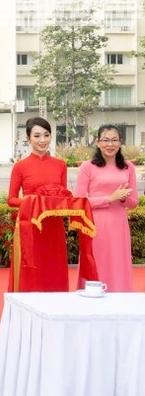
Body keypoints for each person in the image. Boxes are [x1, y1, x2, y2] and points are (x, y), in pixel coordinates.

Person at [7, 117, 68, 291]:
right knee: (30, 270)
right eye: (37, 136)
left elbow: (63, 197)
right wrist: (34, 202)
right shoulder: (20, 166)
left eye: (46, 135)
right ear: (28, 139)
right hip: (29, 225)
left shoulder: (60, 165)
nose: (42, 140)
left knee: (53, 269)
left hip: (53, 226)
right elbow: (11, 199)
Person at [74, 125, 138, 292]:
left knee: (118, 263)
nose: (110, 144)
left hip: (119, 224)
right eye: (106, 140)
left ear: (120, 142)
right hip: (96, 225)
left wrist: (123, 199)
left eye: (114, 140)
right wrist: (109, 199)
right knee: (97, 262)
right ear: (98, 142)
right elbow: (78, 201)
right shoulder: (87, 167)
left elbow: (134, 202)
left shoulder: (128, 167)